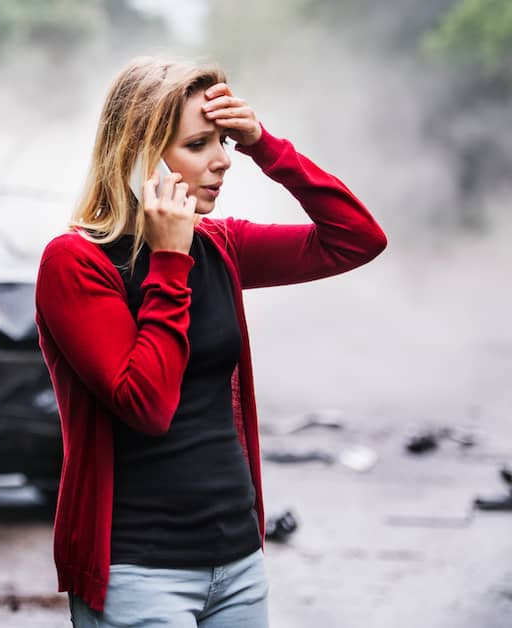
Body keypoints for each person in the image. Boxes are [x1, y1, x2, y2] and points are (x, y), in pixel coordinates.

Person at [34, 57, 386, 627]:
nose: (223, 160)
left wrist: (266, 145)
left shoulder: (220, 245)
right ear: (138, 156)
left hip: (238, 563)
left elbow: (357, 239)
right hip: (139, 573)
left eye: (223, 140)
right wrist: (169, 259)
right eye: (199, 144)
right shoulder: (76, 263)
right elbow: (146, 405)